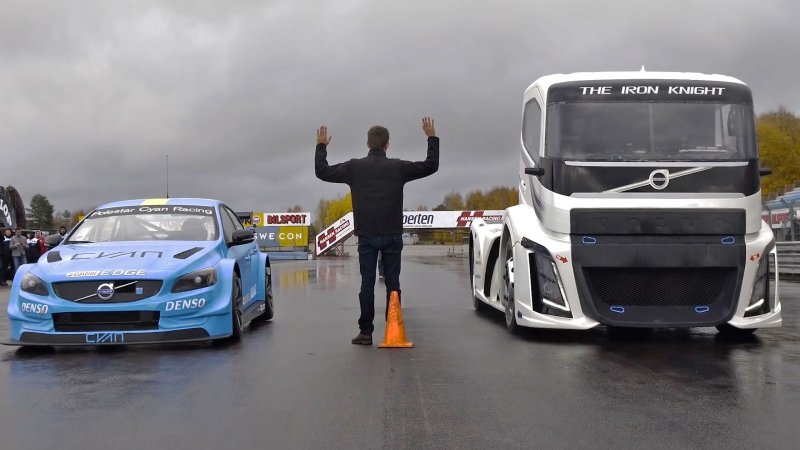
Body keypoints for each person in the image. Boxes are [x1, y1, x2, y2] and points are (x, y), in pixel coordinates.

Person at [315, 117, 439, 345]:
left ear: (368, 144)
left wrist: (321, 146)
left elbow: (322, 172)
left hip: (367, 236)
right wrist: (431, 138)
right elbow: (430, 166)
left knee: (367, 283)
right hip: (392, 234)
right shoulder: (399, 167)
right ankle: (393, 326)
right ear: (387, 145)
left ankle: (365, 332)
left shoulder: (354, 167)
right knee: (393, 283)